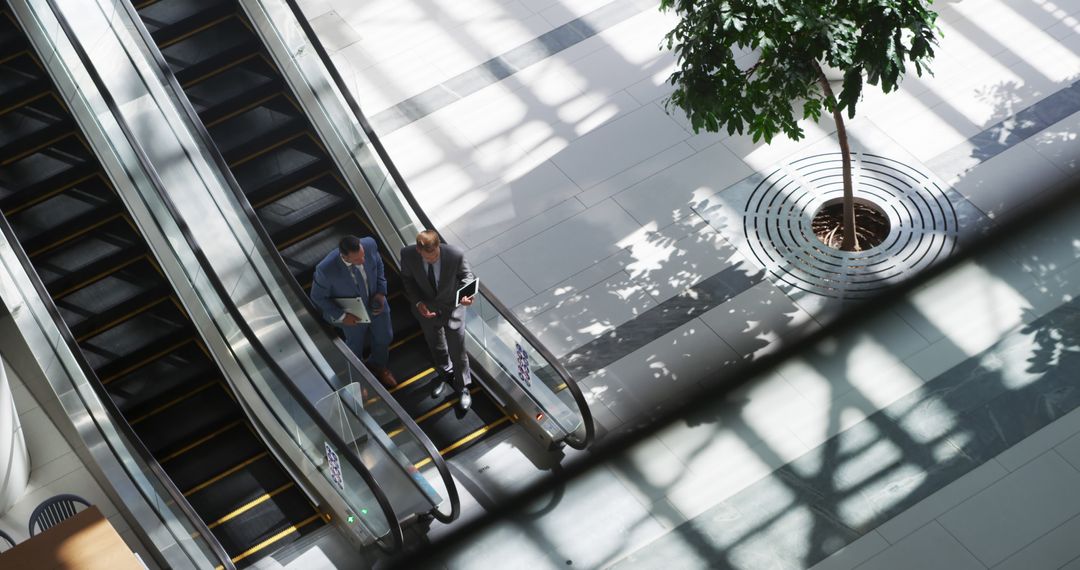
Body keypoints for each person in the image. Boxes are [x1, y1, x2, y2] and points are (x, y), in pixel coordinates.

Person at [399, 230, 475, 411]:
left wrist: (467, 295)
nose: (433, 260)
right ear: (419, 250)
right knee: (436, 345)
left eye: (435, 256)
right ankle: (445, 373)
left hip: (452, 308)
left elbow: (467, 277)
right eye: (428, 258)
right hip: (426, 310)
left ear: (439, 246)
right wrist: (418, 303)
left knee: (457, 349)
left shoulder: (455, 254)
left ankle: (462, 386)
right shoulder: (407, 254)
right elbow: (407, 279)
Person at [311, 236, 397, 389]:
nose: (363, 260)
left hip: (375, 303)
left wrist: (381, 292)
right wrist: (342, 316)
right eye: (357, 259)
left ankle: (378, 365)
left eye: (363, 255)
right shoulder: (325, 270)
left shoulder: (369, 244)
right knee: (354, 347)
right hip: (350, 312)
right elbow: (317, 297)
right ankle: (358, 380)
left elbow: (378, 264)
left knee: (385, 338)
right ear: (344, 256)